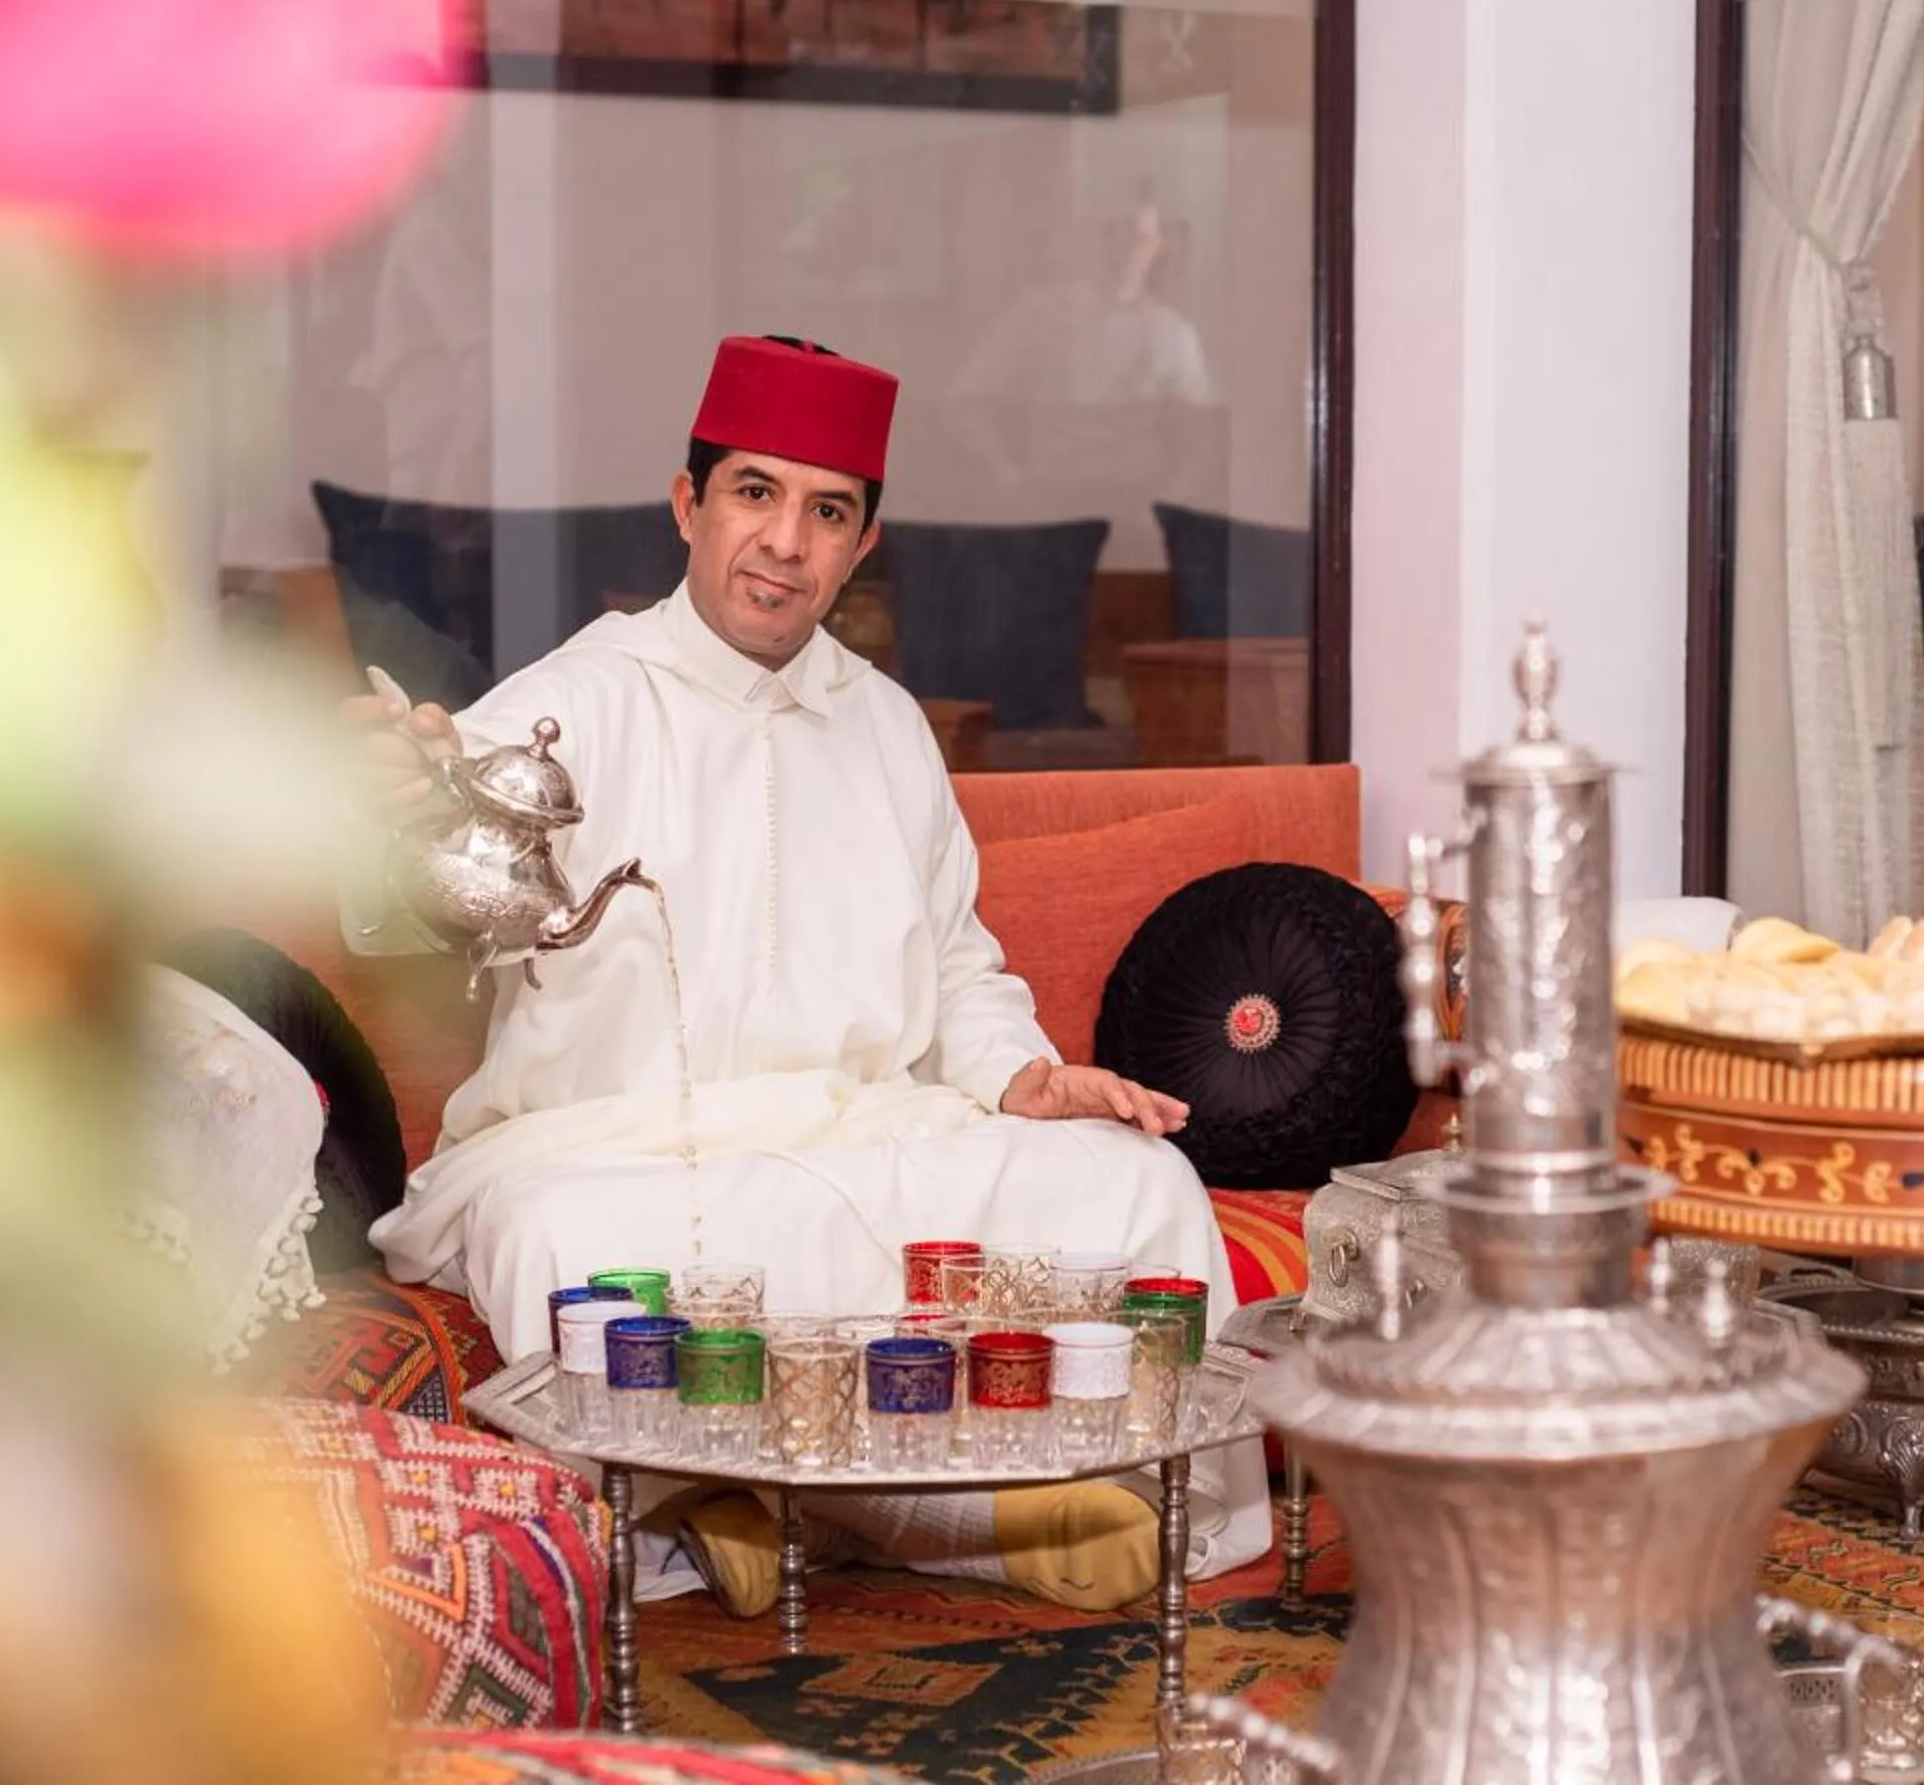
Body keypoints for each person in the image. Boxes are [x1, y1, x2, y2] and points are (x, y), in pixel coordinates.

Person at [347, 334, 1270, 1612]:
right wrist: (403, 798)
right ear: (689, 505)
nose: (784, 541)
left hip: (878, 1127)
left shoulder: (886, 725)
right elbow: (423, 896)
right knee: (575, 1243)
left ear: (862, 543)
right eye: (754, 492)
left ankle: (777, 1515)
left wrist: (1026, 1075)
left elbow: (954, 960)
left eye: (825, 510)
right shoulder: (581, 697)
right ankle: (926, 1523)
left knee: (1140, 1185)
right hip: (622, 1147)